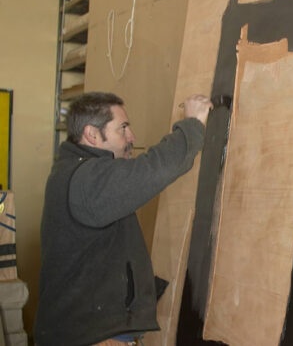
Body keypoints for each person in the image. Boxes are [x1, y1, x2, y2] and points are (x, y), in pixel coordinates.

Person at [34, 92, 212, 346]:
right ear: (92, 134)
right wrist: (192, 124)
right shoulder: (88, 179)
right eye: (123, 128)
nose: (132, 137)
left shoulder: (76, 172)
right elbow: (151, 169)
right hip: (91, 337)